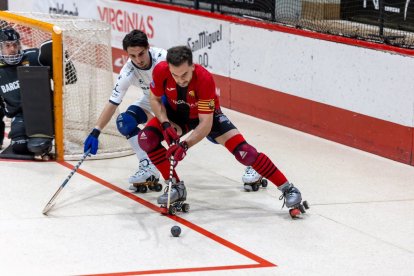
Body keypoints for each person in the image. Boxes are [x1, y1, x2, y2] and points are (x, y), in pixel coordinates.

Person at [138, 45, 305, 213]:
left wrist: (185, 145)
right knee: (146, 139)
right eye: (175, 75)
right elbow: (155, 99)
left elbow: (205, 123)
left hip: (207, 116)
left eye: (184, 75)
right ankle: (175, 187)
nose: (180, 80)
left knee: (245, 153)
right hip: (176, 114)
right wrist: (165, 123)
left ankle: (288, 188)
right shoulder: (161, 71)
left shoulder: (204, 79)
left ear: (192, 66)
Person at [83, 30, 164, 190]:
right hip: (150, 99)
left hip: (171, 101)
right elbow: (112, 103)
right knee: (124, 121)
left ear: (148, 47)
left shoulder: (163, 59)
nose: (138, 60)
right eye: (132, 56)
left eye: (141, 54)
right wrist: (96, 131)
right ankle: (147, 164)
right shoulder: (128, 71)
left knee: (152, 132)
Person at [0, 27, 53, 157]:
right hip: (20, 115)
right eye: (7, 46)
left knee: (37, 147)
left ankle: (45, 138)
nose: (12, 49)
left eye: (15, 45)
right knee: (19, 146)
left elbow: (68, 78)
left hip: (41, 111)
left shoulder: (34, 57)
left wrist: (56, 54)